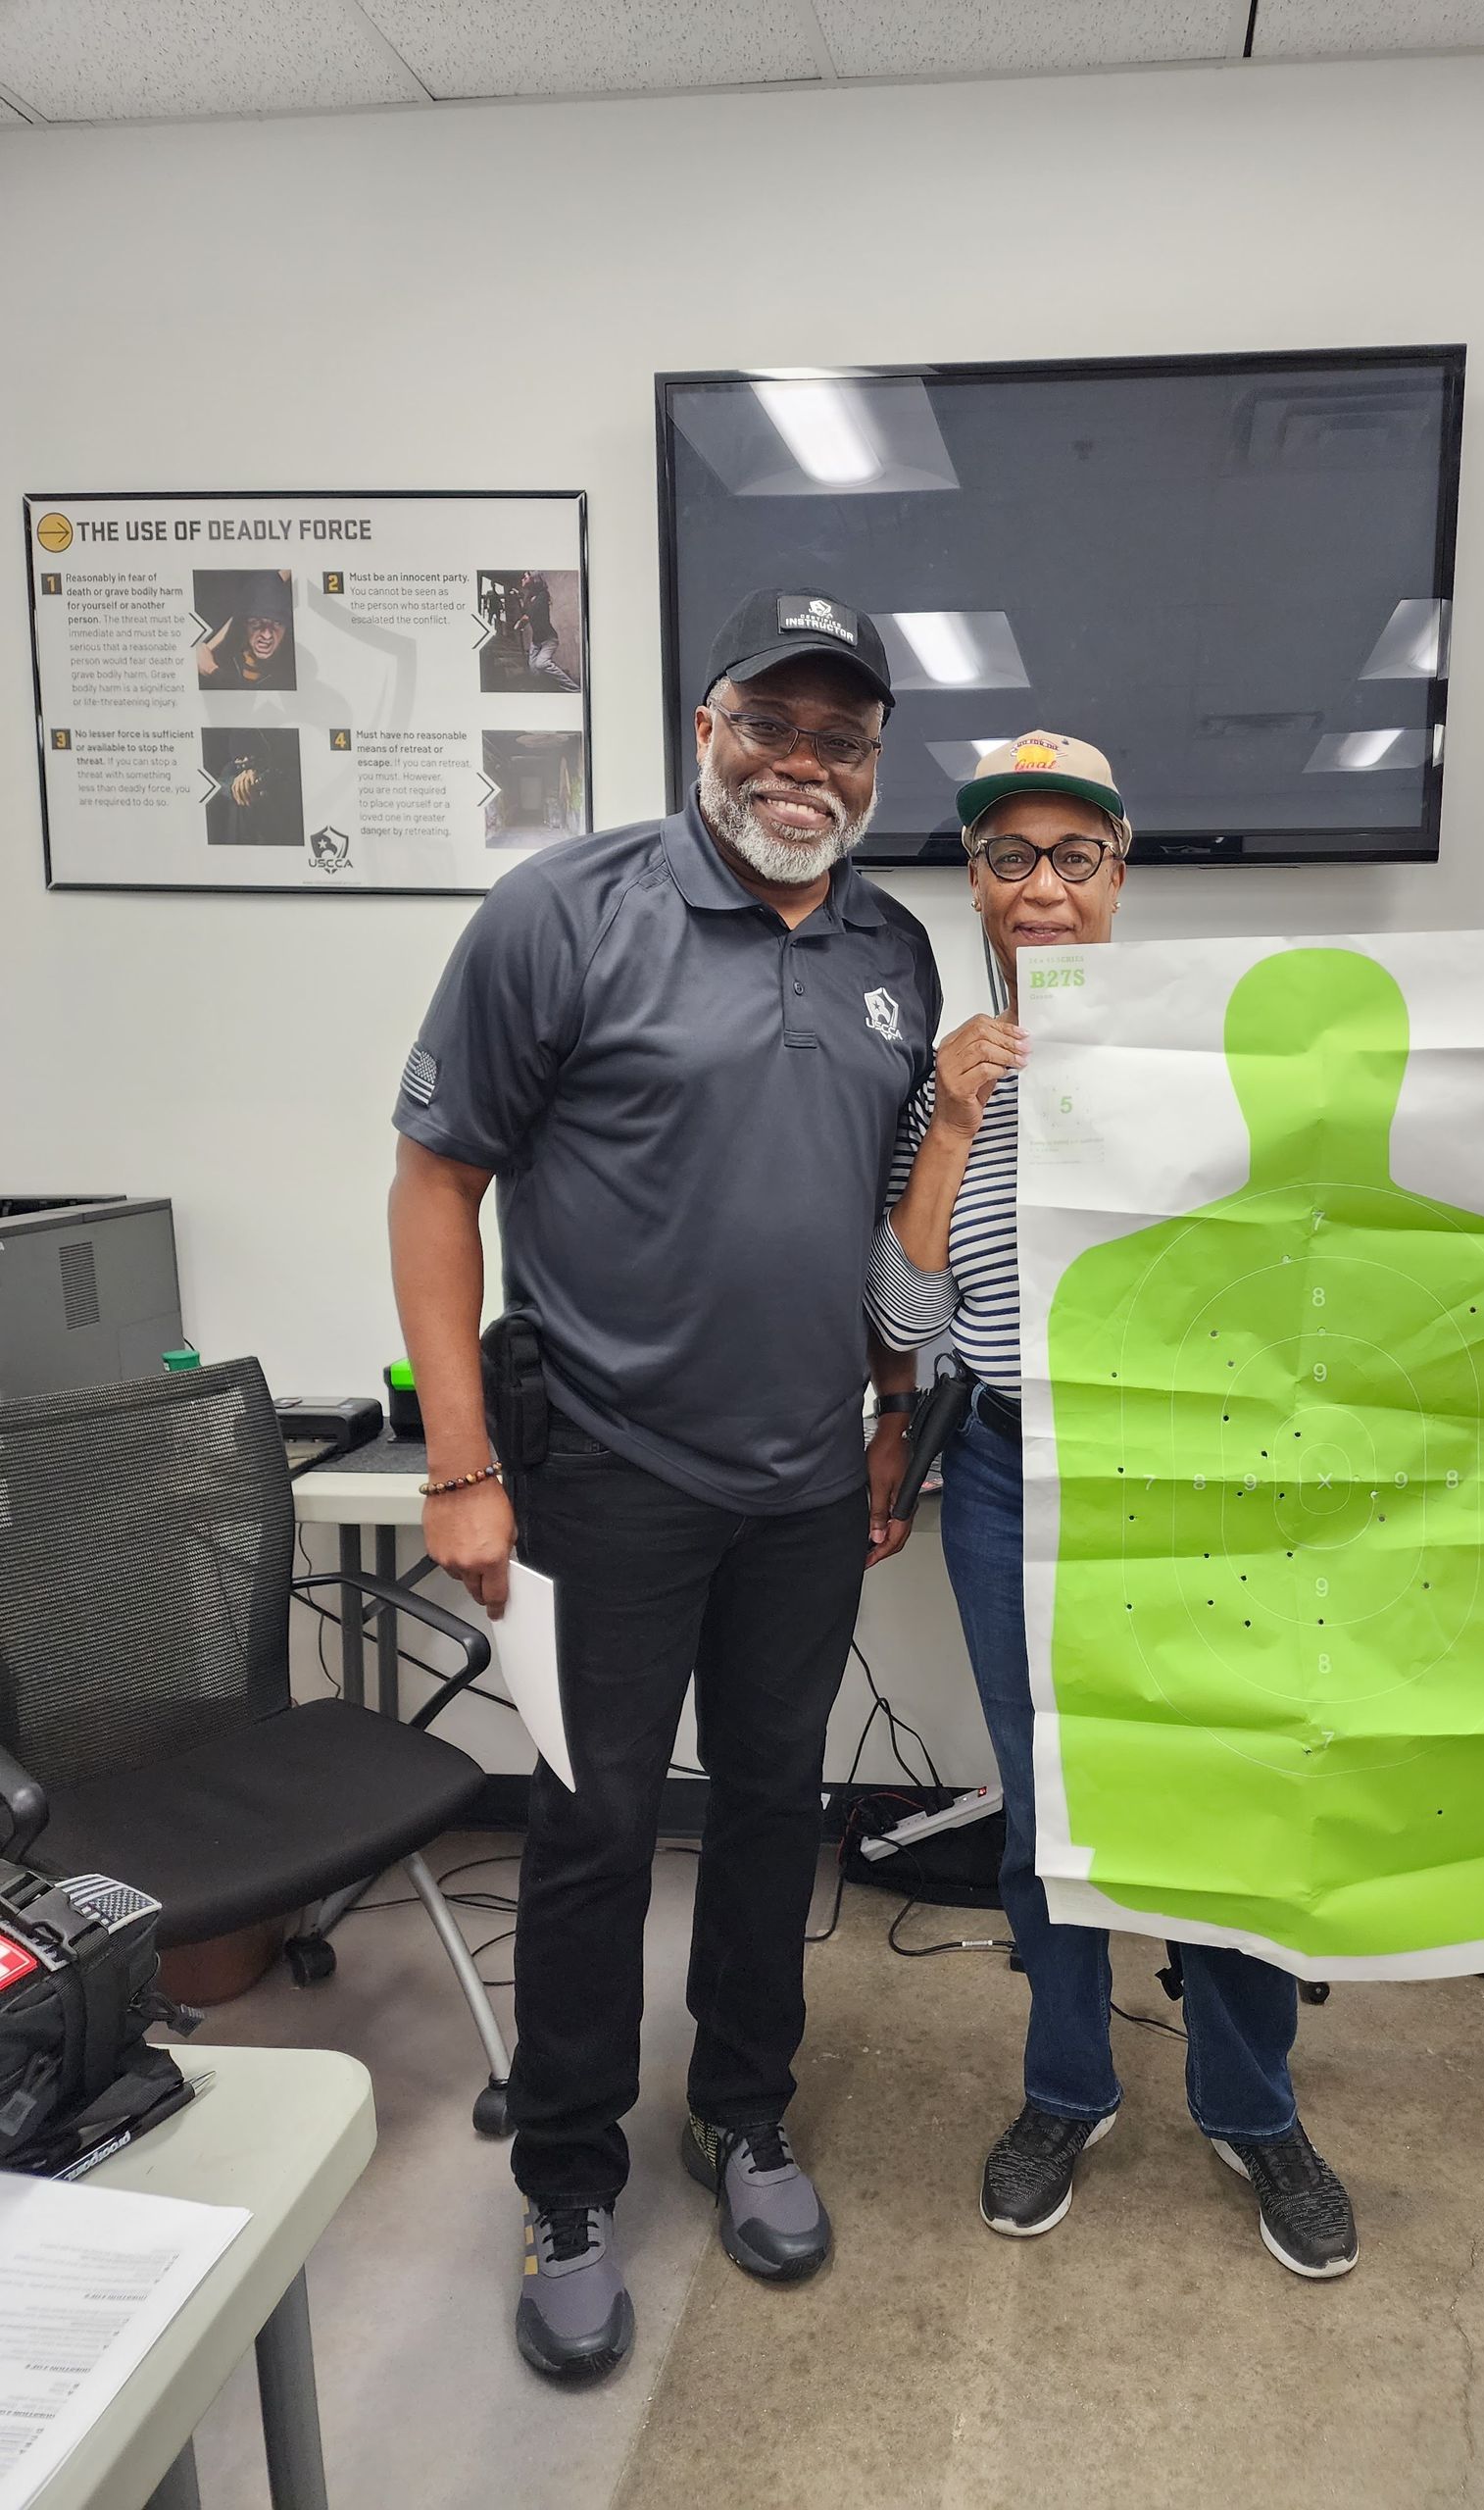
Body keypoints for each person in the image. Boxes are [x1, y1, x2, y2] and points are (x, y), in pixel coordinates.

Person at [866, 730, 1484, 2277]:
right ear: (973, 883)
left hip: (1211, 1479)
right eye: (1007, 858)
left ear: (1121, 873)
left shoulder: (1208, 1057)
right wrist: (961, 1119)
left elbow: (1423, 1188)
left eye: (1074, 857)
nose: (1041, 888)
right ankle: (1066, 2088)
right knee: (1053, 1807)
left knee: (1234, 1784)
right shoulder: (944, 1075)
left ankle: (1252, 2108)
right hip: (1011, 1479)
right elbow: (902, 1321)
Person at [389, 588, 938, 2382]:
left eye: (840, 739)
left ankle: (743, 2116)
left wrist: (883, 1410)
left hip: (800, 1486)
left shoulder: (894, 946)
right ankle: (565, 2183)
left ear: (872, 764)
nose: (804, 764)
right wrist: (460, 1465)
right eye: (769, 726)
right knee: (593, 1831)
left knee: (778, 1812)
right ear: (705, 729)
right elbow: (434, 1187)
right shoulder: (566, 911)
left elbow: (875, 1217)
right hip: (604, 1474)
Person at [197, 570, 295, 689]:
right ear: (244, 624)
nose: (267, 635)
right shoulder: (231, 655)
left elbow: (251, 698)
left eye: (277, 623)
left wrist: (211, 669)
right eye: (256, 623)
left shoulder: (292, 666)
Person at [519, 569, 579, 692]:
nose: (522, 580)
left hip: (549, 639)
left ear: (534, 579)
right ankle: (552, 689)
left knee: (541, 664)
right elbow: (527, 614)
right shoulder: (530, 597)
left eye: (525, 577)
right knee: (534, 671)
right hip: (536, 642)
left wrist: (523, 618)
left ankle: (575, 689)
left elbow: (531, 614)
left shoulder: (543, 595)